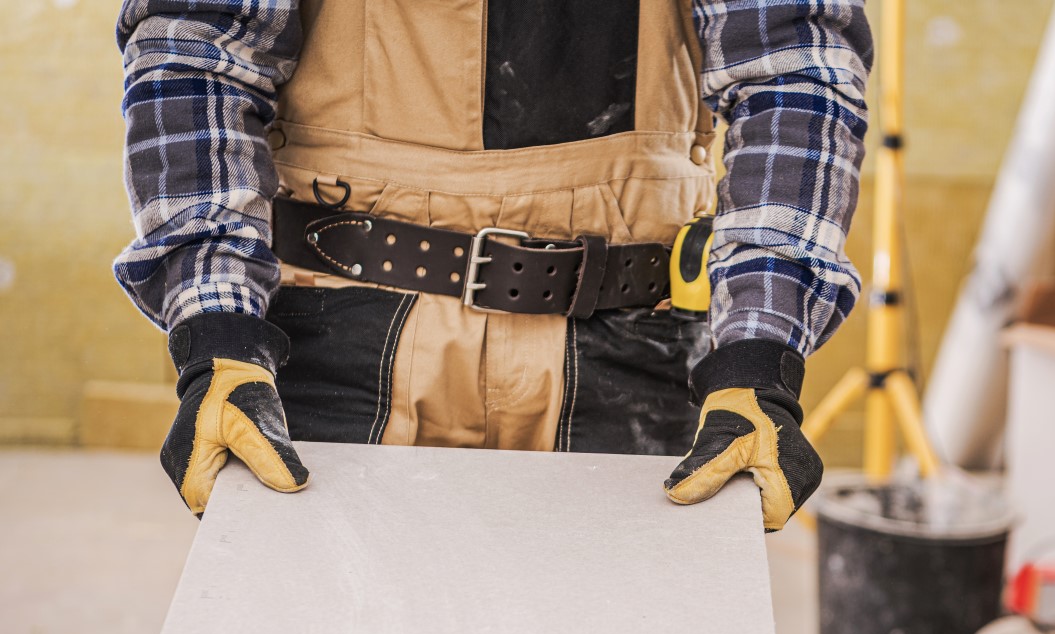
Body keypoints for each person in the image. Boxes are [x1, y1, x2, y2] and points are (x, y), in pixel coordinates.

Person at [114, 0, 871, 530]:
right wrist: (217, 330)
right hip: (342, 342)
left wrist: (758, 354)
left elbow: (793, 69)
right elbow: (198, 51)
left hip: (633, 346)